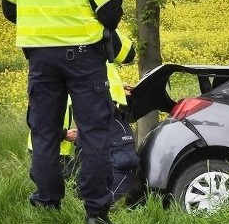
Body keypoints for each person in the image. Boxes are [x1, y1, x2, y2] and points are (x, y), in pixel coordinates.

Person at [0, 0, 124, 224]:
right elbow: (111, 11)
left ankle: (46, 205)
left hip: (40, 57)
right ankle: (96, 214)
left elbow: (9, 7)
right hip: (83, 56)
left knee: (44, 131)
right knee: (94, 133)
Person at [27, 29, 142, 204]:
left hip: (45, 145)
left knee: (79, 172)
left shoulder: (41, 32)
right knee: (123, 160)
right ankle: (100, 209)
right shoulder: (89, 19)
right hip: (92, 109)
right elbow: (127, 52)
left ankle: (51, 212)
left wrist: (117, 84)